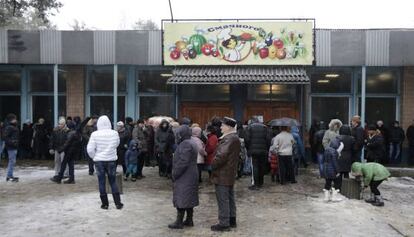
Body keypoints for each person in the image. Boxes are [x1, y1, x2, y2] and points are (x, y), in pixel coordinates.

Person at [210, 117, 240, 232]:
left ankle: (224, 223)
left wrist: (212, 165)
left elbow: (221, 156)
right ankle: (231, 220)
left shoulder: (229, 139)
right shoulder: (234, 138)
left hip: (222, 173)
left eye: (223, 125)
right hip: (229, 173)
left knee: (223, 199)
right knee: (230, 198)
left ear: (228, 127)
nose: (221, 127)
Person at [87, 115, 123, 210]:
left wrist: (94, 157)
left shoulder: (95, 134)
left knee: (101, 182)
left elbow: (90, 149)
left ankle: (105, 204)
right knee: (113, 181)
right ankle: (118, 203)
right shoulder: (114, 133)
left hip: (99, 161)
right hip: (111, 160)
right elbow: (117, 144)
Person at [168, 125, 199, 229]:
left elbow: (183, 162)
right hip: (191, 174)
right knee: (189, 197)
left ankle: (179, 221)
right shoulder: (192, 142)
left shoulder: (185, 144)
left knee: (182, 197)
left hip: (185, 175)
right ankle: (189, 219)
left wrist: (175, 173)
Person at [245, 116, 271, 190]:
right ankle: (260, 182)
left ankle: (255, 184)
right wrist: (267, 148)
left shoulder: (249, 128)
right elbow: (268, 139)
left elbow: (247, 139)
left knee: (255, 167)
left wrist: (248, 149)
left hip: (253, 151)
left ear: (252, 121)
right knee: (261, 166)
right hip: (263, 150)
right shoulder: (265, 128)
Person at [322, 137, 344, 202]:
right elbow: (335, 163)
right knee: (336, 183)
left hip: (326, 169)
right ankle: (334, 197)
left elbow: (324, 160)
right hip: (332, 170)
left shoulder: (326, 150)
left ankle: (326, 197)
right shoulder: (334, 152)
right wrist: (338, 171)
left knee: (328, 182)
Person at [4, 114, 20, 182]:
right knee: (12, 161)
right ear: (11, 120)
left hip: (13, 146)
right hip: (11, 147)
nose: (16, 120)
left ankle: (10, 175)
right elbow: (5, 137)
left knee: (12, 161)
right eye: (14, 119)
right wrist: (13, 142)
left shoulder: (13, 126)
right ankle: (9, 176)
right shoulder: (9, 127)